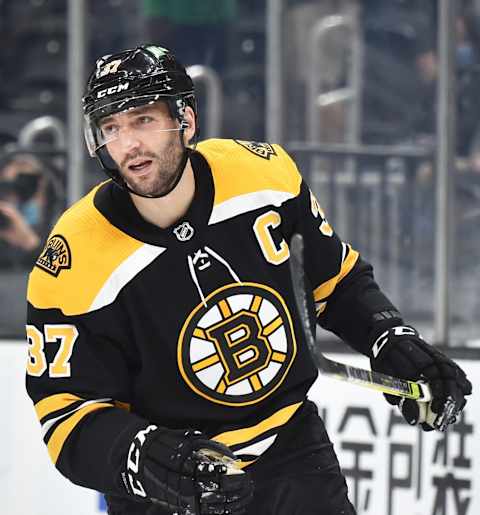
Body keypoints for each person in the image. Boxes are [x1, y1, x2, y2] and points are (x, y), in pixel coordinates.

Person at [25, 45, 472, 515]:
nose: (128, 144)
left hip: (293, 456)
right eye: (111, 128)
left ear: (187, 119)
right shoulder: (73, 257)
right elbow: (67, 415)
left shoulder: (263, 177)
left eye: (143, 120)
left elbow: (334, 280)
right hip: (171, 490)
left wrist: (390, 338)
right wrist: (146, 458)